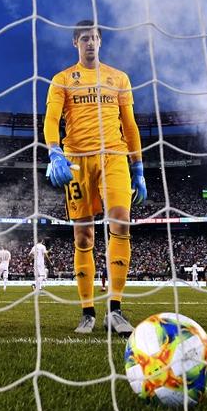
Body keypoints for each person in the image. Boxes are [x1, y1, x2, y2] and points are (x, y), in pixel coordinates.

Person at [43, 19, 146, 336]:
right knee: (84, 238)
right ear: (76, 42)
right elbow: (51, 119)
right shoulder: (62, 79)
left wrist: (138, 167)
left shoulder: (118, 78)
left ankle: (114, 310)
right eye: (85, 38)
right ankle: (87, 312)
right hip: (77, 161)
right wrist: (54, 152)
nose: (90, 42)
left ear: (101, 42)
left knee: (121, 226)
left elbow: (129, 125)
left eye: (95, 38)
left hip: (114, 158)